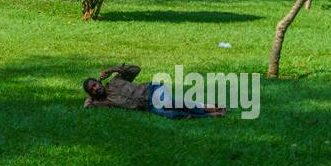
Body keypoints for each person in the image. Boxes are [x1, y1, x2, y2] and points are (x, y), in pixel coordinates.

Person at [82, 64, 226, 118]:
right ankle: (212, 115)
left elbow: (135, 69)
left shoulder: (115, 81)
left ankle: (210, 108)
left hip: (152, 90)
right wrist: (90, 98)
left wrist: (112, 69)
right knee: (169, 113)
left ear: (98, 81)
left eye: (95, 84)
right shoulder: (105, 102)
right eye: (92, 89)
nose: (96, 88)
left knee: (169, 102)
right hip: (148, 106)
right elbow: (87, 106)